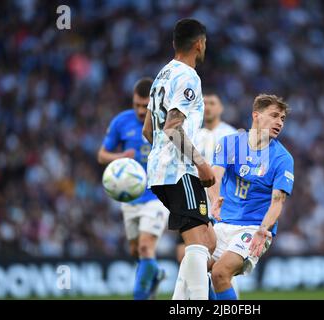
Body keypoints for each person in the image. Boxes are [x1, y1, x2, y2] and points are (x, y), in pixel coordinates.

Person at [142, 18, 216, 300]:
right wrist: (199, 162)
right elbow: (173, 126)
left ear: (175, 44)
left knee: (208, 240)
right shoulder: (188, 77)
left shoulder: (161, 76)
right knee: (197, 244)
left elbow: (148, 130)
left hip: (160, 171)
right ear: (199, 44)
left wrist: (162, 154)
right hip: (179, 170)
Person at [207, 94, 294, 300]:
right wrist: (215, 200)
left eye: (282, 118)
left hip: (254, 229)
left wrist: (264, 229)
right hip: (223, 222)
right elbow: (215, 177)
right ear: (256, 115)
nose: (279, 122)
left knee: (220, 273)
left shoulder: (282, 158)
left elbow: (277, 201)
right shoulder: (230, 143)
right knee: (195, 270)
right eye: (274, 116)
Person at [97, 78, 169, 300]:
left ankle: (139, 296)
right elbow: (101, 155)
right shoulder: (121, 121)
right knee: (136, 251)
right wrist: (120, 156)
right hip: (130, 197)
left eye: (144, 105)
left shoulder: (166, 122)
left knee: (147, 247)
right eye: (136, 104)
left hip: (158, 195)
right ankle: (155, 274)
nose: (139, 110)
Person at [175, 92, 237, 263]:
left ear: (221, 108)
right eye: (205, 103)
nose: (208, 107)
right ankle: (200, 289)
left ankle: (224, 289)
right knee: (185, 254)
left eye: (212, 103)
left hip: (221, 206)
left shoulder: (230, 135)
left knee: (219, 258)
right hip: (193, 200)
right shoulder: (191, 134)